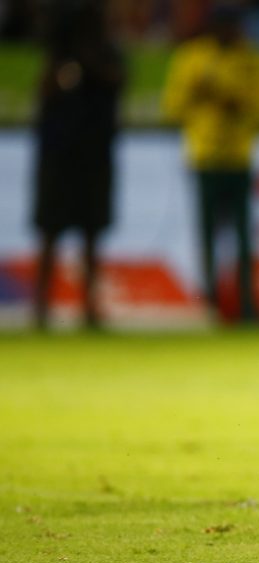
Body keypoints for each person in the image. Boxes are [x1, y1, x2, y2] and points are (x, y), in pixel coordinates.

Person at [161, 2, 259, 323]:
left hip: (239, 158)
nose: (231, 32)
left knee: (242, 238)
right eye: (225, 25)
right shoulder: (192, 58)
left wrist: (236, 100)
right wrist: (197, 94)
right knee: (209, 235)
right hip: (205, 157)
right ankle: (211, 304)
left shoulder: (251, 60)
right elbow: (172, 107)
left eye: (234, 26)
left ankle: (245, 305)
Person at [32, 0, 125, 330]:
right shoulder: (58, 57)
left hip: (93, 156)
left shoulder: (108, 54)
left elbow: (118, 82)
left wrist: (89, 62)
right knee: (50, 232)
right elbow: (43, 93)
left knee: (91, 234)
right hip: (58, 156)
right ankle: (40, 308)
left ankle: (89, 307)